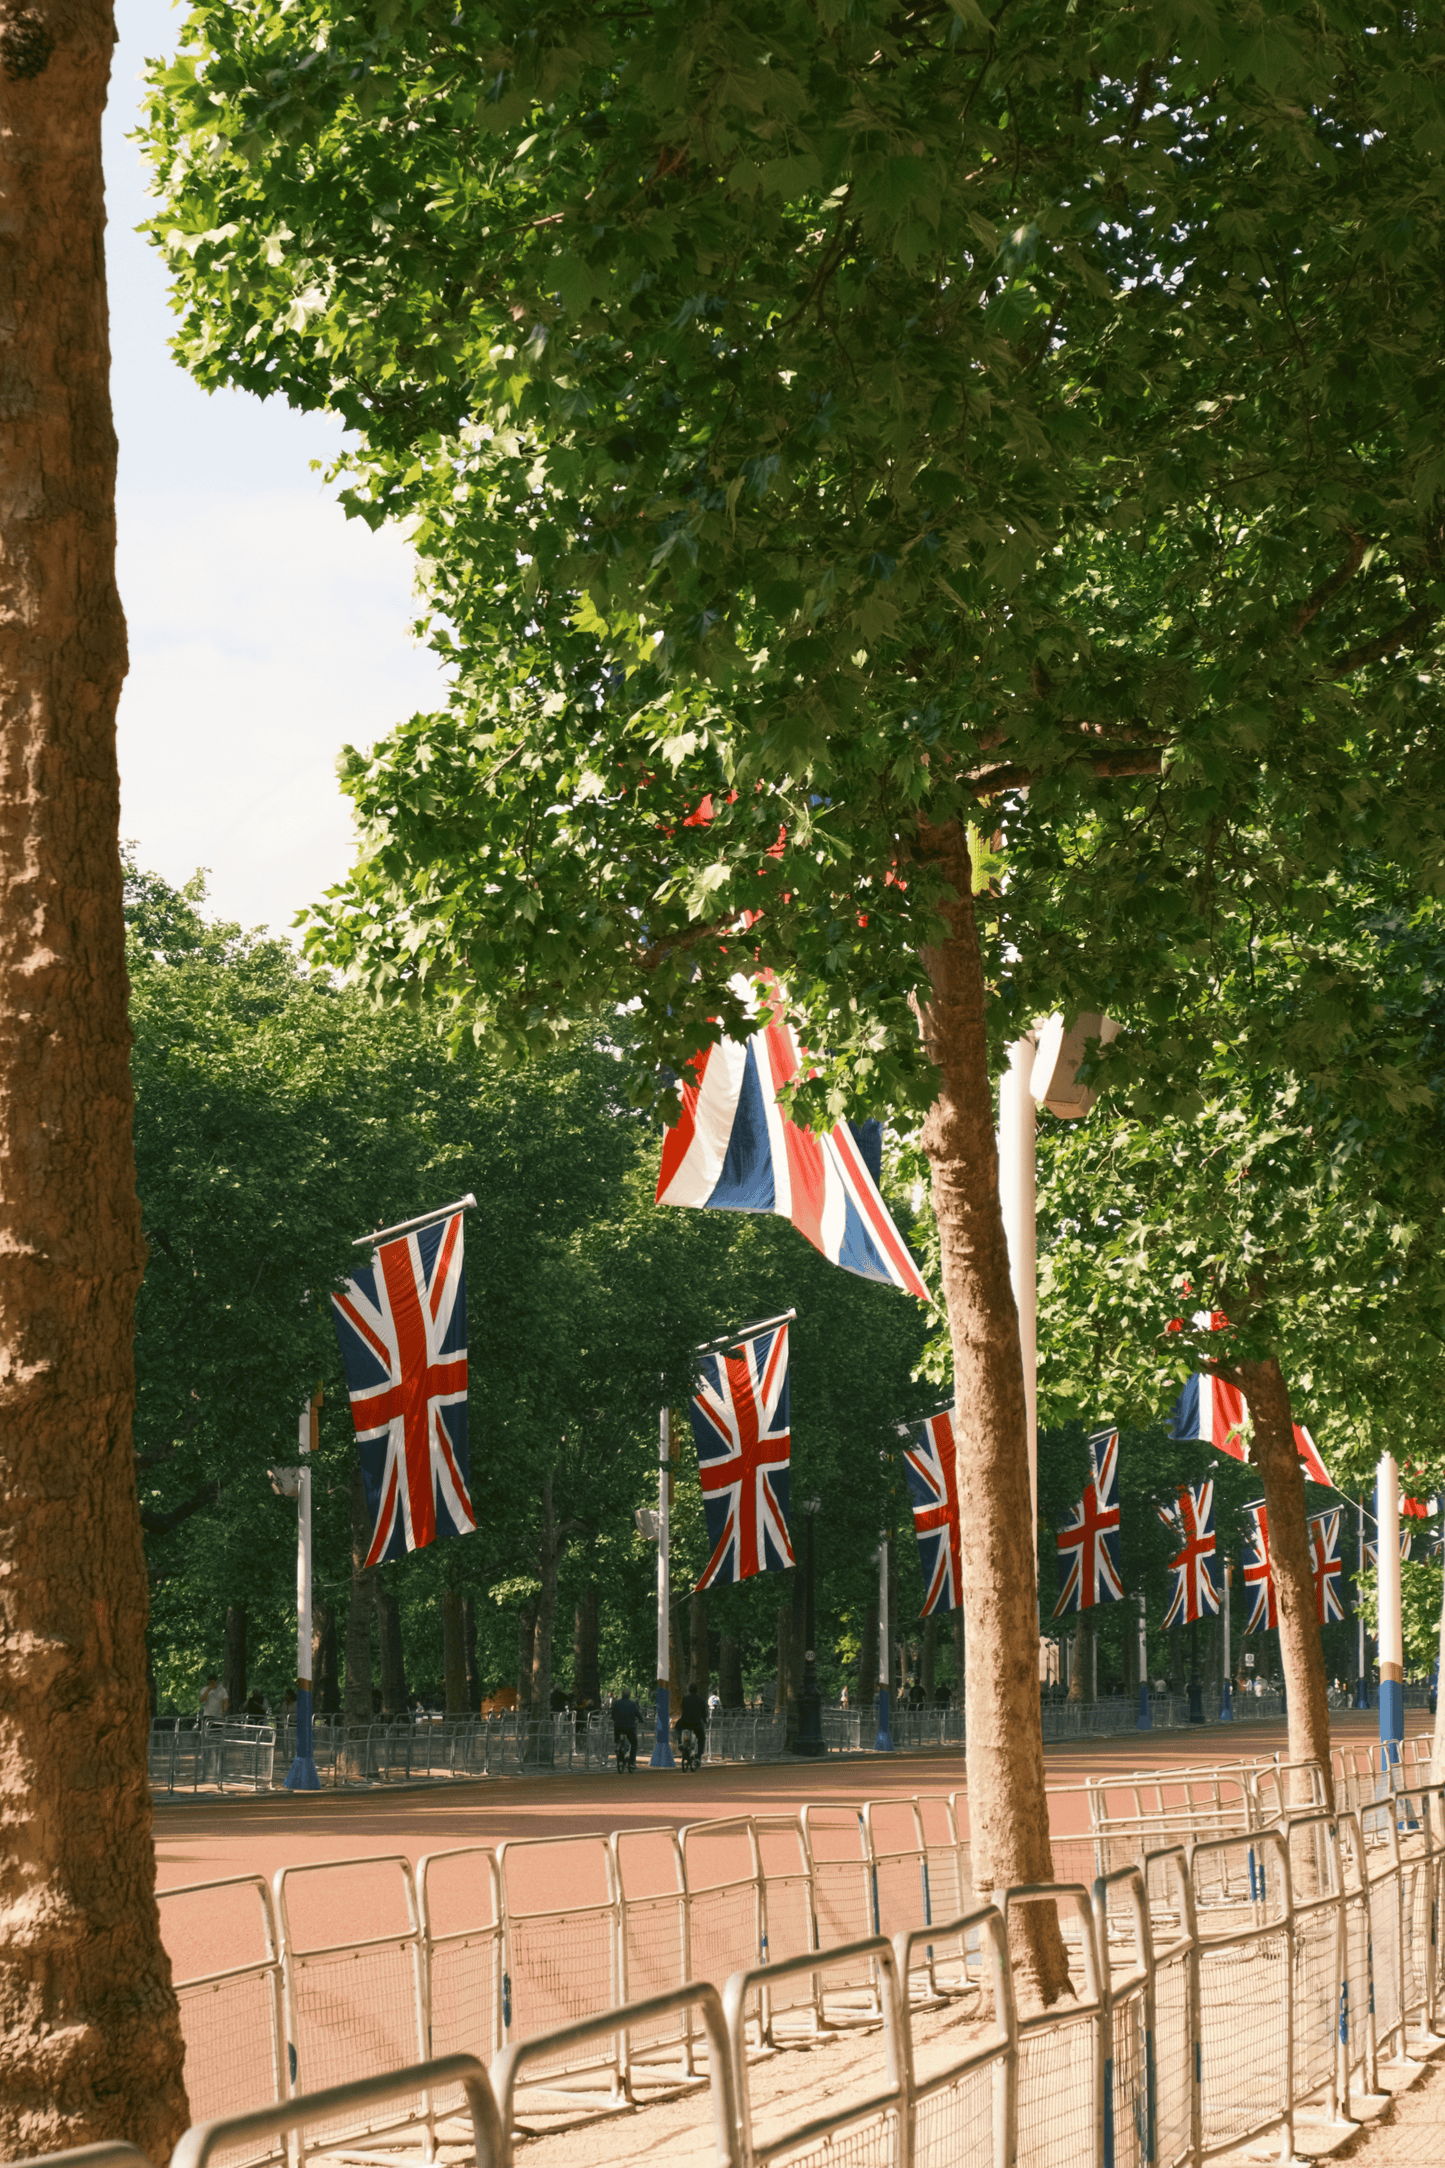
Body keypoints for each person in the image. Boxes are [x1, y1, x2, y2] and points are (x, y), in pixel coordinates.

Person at [675, 1686, 708, 1765]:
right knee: (701, 1738)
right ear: (697, 1691)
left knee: (677, 1727)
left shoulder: (685, 1699)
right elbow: (704, 1714)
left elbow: (682, 1708)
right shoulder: (701, 1700)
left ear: (689, 1690)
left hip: (685, 1722)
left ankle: (680, 1742)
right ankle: (698, 1756)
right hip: (696, 1723)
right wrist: (705, 1720)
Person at [611, 1687, 642, 1770]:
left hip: (618, 1727)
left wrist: (615, 1720)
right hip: (629, 1727)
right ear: (629, 1695)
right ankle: (632, 1762)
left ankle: (618, 1749)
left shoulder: (617, 1703)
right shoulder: (632, 1704)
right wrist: (642, 1720)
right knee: (634, 1743)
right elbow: (638, 1714)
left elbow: (612, 1715)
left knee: (618, 1740)